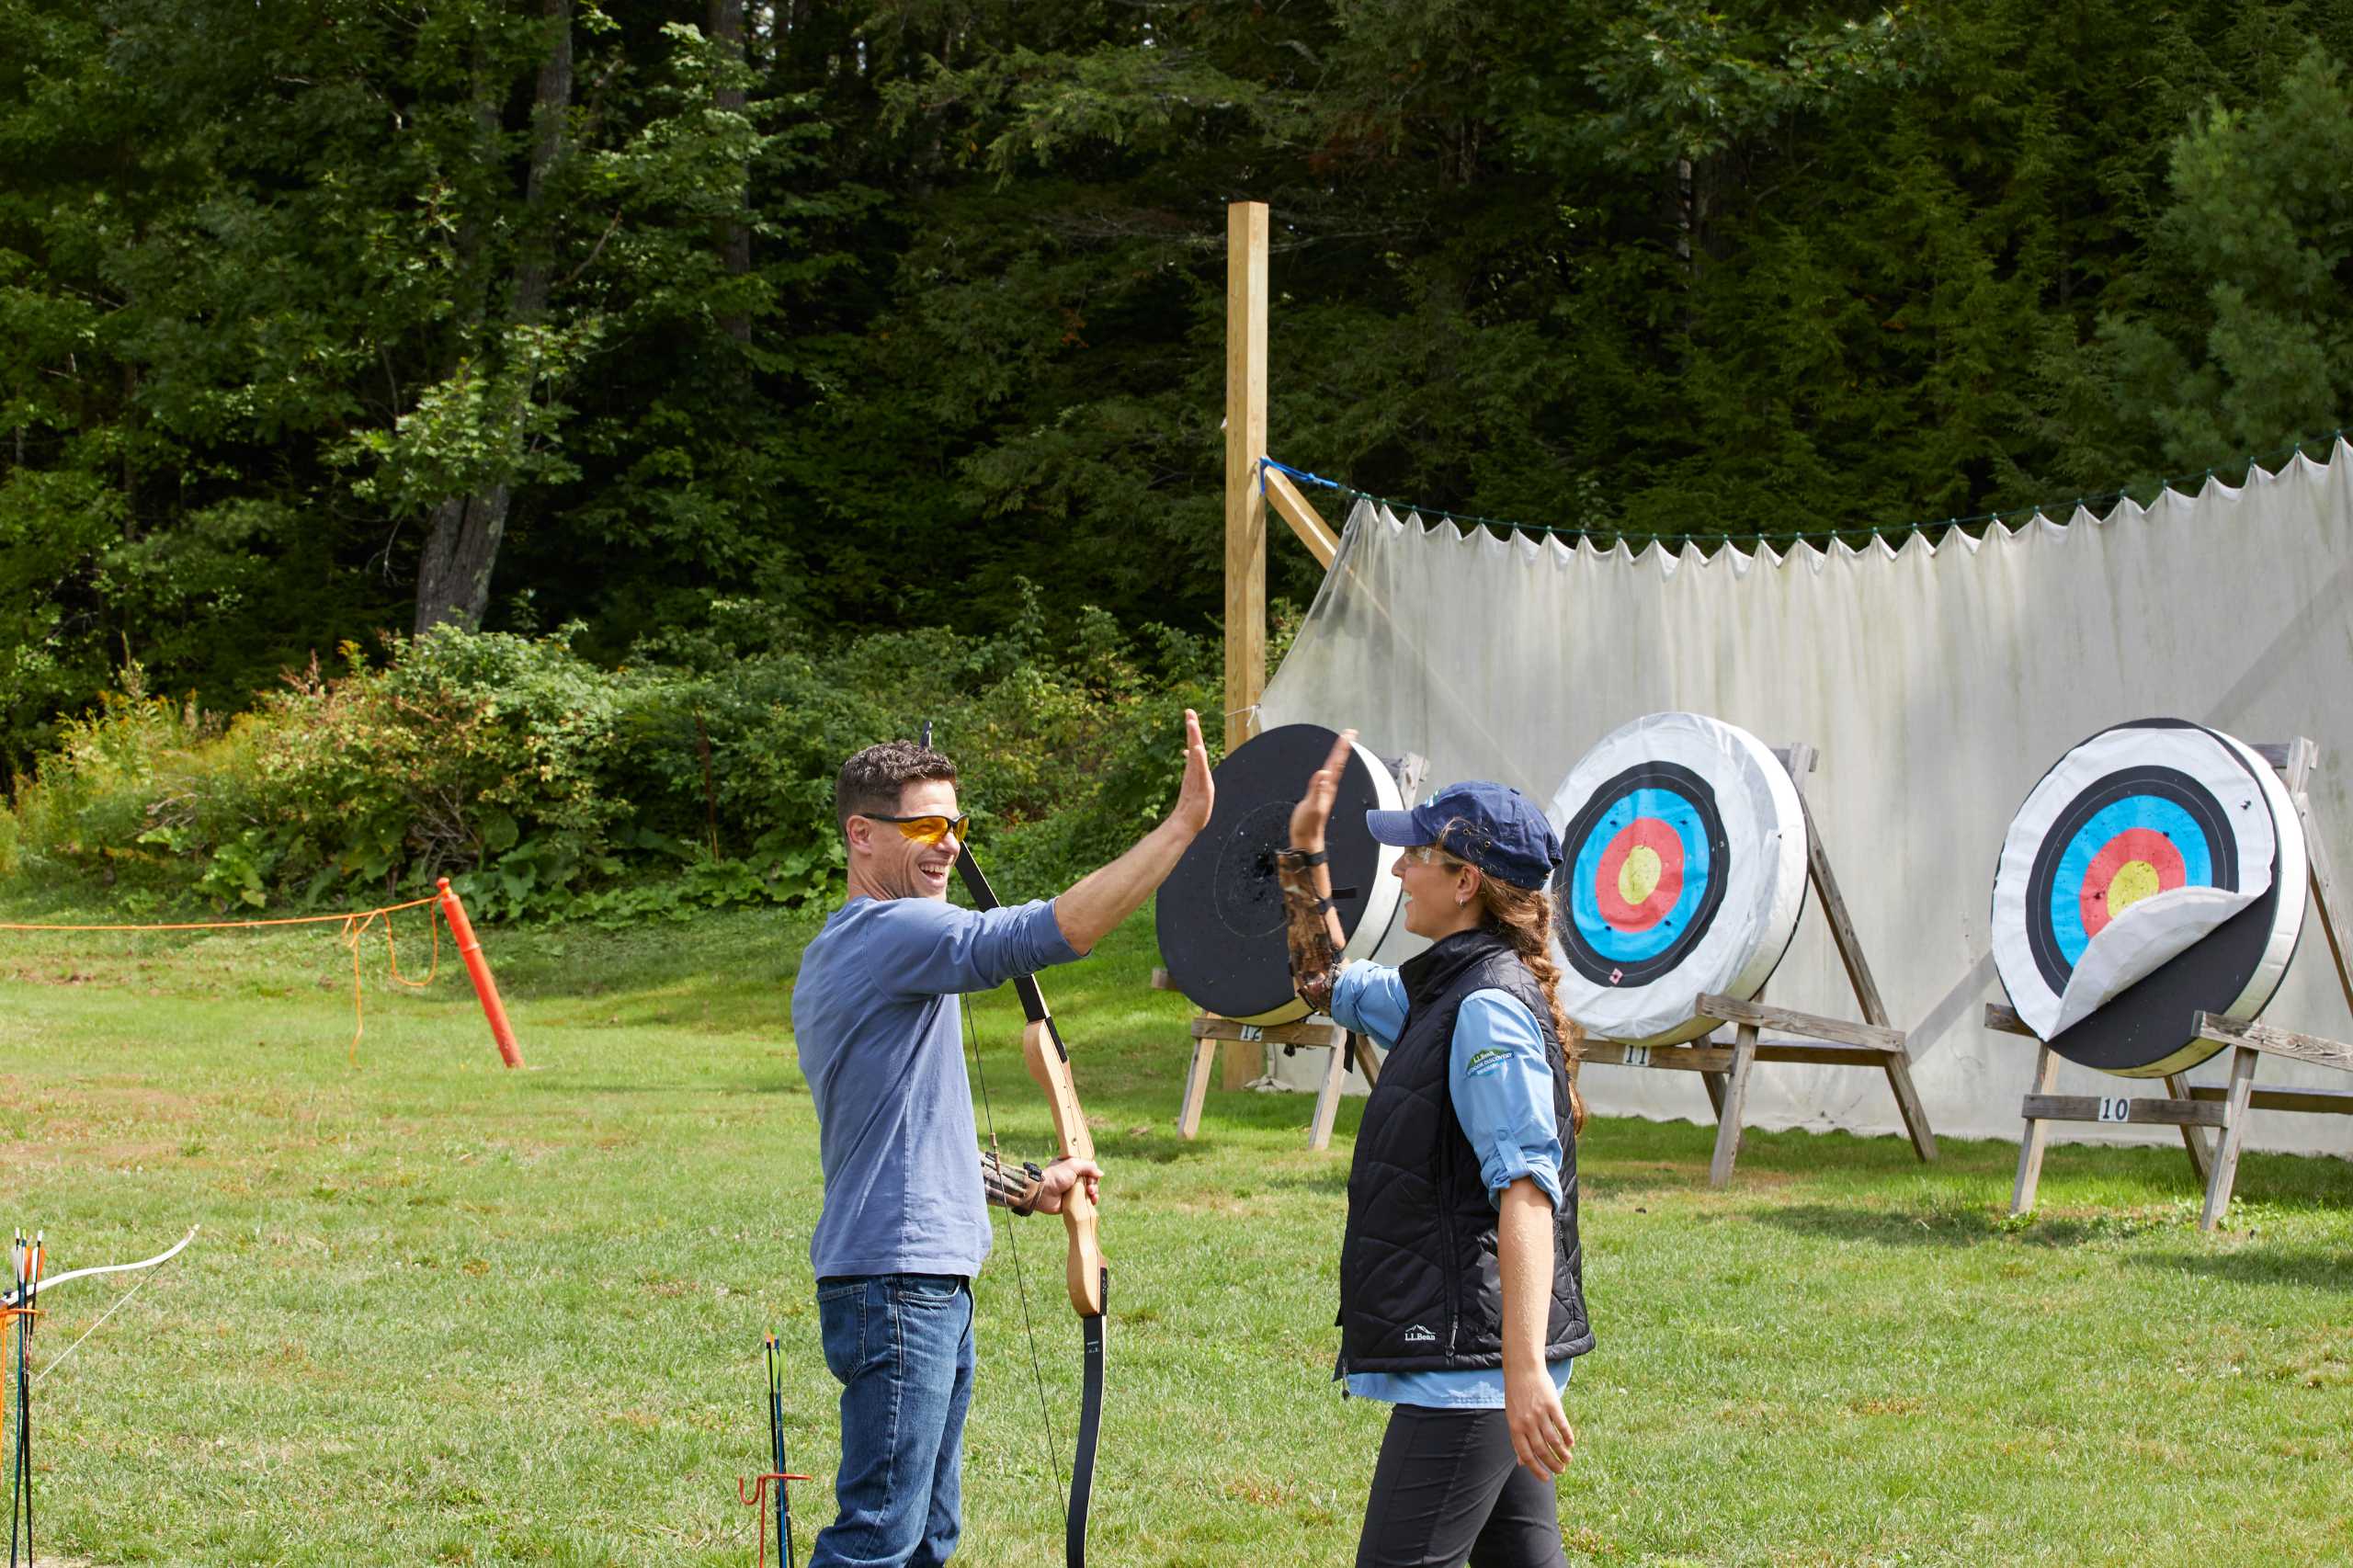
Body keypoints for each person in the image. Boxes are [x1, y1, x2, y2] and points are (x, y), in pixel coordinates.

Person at [790, 712, 1212, 1568]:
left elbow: (897, 1136)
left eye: (956, 826)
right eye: (925, 827)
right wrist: (1180, 830)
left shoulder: (865, 949)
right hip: (898, 1287)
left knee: (925, 1538)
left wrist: (1025, 1183)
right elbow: (1043, 933)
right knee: (877, 1538)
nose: (947, 846)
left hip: (914, 1280)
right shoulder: (890, 933)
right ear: (860, 835)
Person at [1279, 729, 1592, 1568]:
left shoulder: (1484, 1008)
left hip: (1478, 1369)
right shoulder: (1443, 991)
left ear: (1465, 883)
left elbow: (1527, 1189)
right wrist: (1303, 853)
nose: (1396, 871)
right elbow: (1323, 982)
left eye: (1414, 856)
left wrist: (1519, 1376)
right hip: (1486, 1364)